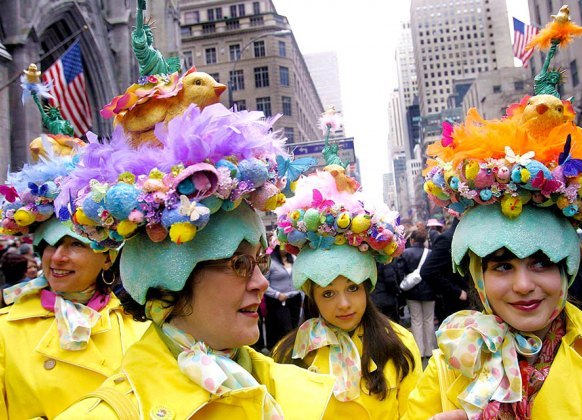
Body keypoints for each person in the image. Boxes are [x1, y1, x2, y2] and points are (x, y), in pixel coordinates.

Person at [57, 103, 334, 419]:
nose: (262, 283)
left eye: (260, 261)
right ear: (168, 277)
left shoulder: (307, 394)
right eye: (239, 264)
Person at [407, 14, 582, 418]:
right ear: (478, 277)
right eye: (502, 266)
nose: (524, 286)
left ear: (569, 269)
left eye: (540, 262)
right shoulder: (447, 365)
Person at [271, 116, 422, 419]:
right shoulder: (288, 354)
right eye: (328, 293)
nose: (343, 304)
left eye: (352, 288)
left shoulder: (399, 343)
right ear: (311, 295)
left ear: (367, 285)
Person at [0, 147, 148, 419]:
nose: (57, 257)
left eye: (75, 245)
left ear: (107, 258)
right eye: (51, 245)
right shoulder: (5, 329)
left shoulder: (141, 329)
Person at [419, 218, 470, 325]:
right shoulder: (448, 238)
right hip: (457, 306)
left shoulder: (466, 235)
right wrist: (457, 292)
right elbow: (427, 271)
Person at [399, 228, 436, 359]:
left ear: (412, 240)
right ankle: (430, 350)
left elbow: (400, 271)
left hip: (412, 292)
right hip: (429, 291)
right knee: (429, 320)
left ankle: (419, 350)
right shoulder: (431, 253)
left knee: (416, 320)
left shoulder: (406, 253)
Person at [264, 244, 302, 349]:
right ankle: (282, 349)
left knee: (295, 324)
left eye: (287, 246)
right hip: (278, 299)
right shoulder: (270, 262)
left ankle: (292, 349)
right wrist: (276, 294)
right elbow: (264, 283)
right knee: (285, 327)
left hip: (294, 297)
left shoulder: (293, 259)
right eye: (282, 246)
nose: (285, 249)